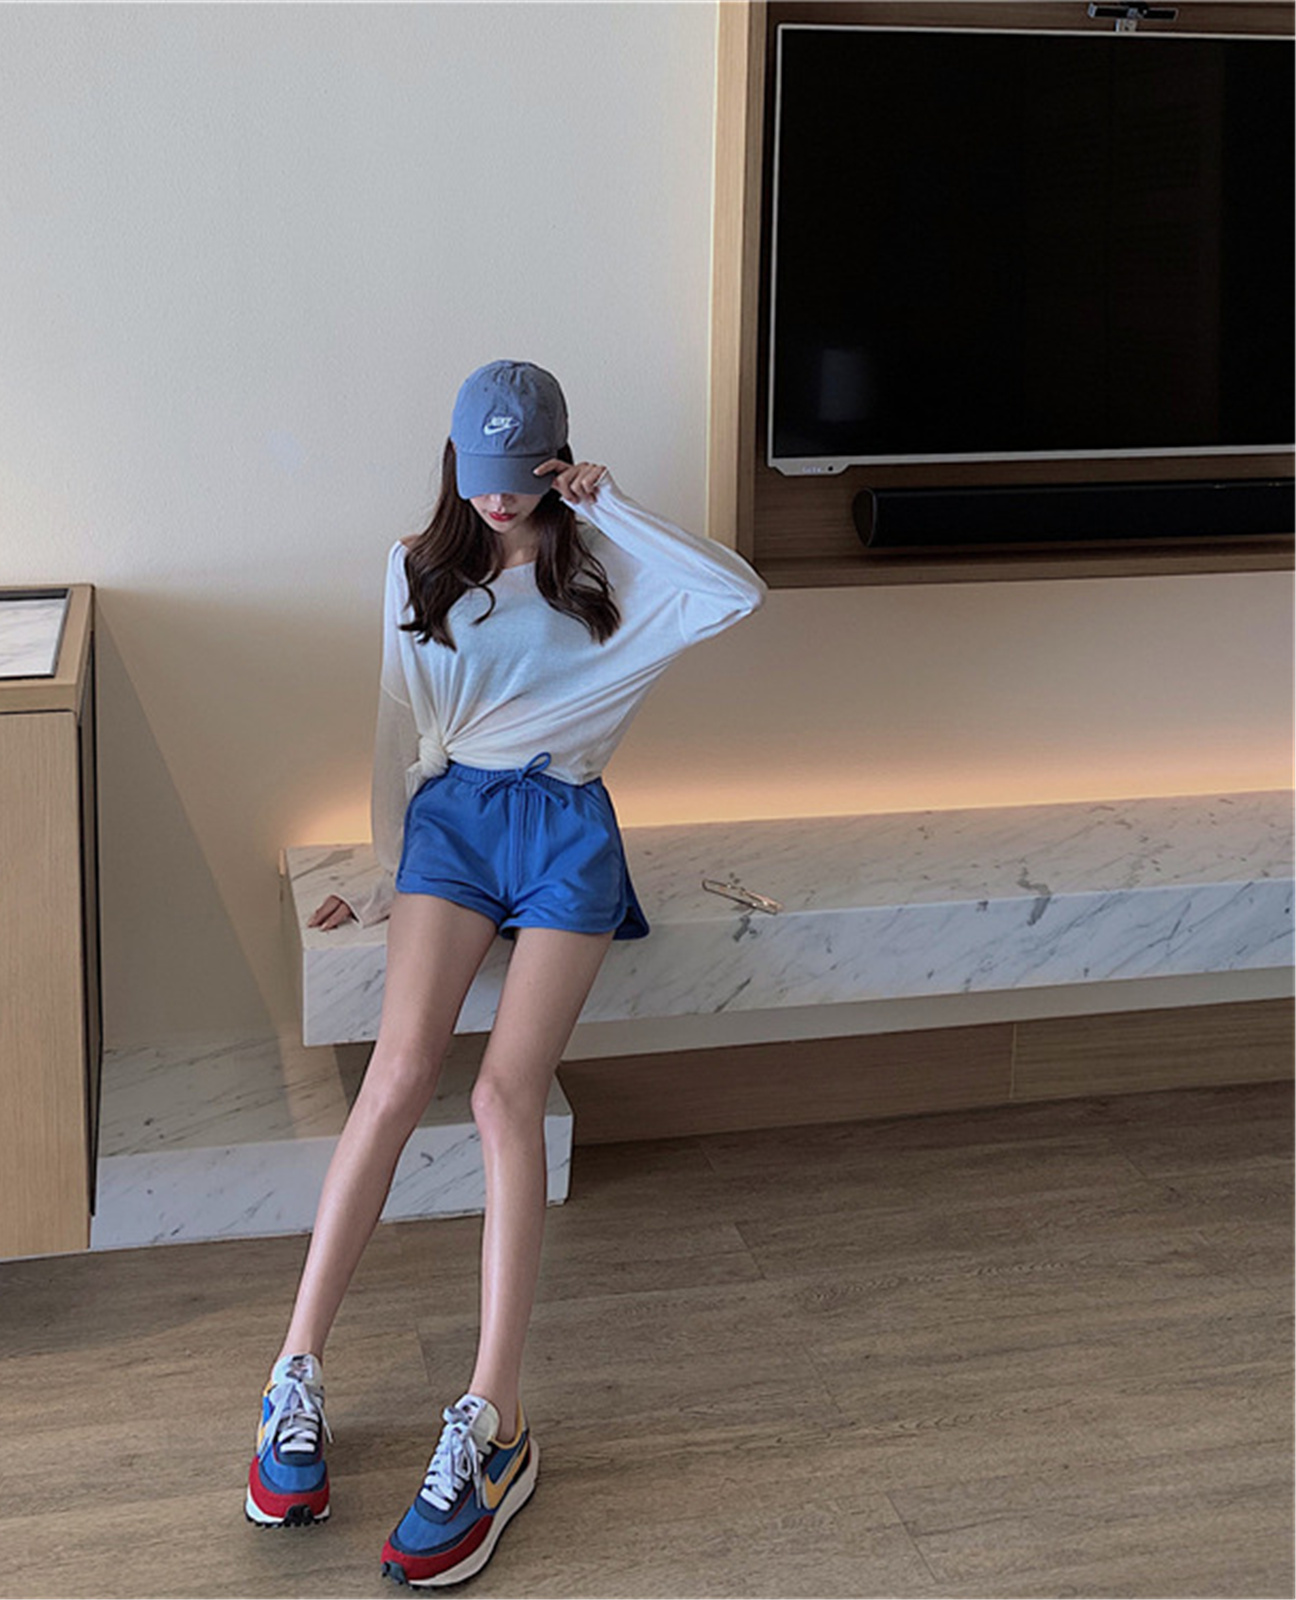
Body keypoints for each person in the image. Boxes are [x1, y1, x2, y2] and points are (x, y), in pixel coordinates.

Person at [246, 360, 767, 1588]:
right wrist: (388, 874)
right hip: (454, 825)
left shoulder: (614, 572)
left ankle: (494, 1420)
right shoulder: (415, 566)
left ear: (555, 461)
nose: (495, 500)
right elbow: (398, 724)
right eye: (478, 477)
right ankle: (294, 1370)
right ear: (456, 465)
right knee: (397, 1075)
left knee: (501, 1095)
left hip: (568, 828)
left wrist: (609, 502)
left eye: (520, 477)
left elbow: (737, 593)